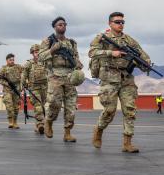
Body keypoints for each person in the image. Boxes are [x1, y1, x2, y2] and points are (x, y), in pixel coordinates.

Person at [89, 12, 151, 153]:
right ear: (110, 23)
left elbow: (141, 53)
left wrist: (146, 63)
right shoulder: (102, 38)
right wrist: (112, 53)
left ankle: (127, 143)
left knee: (130, 110)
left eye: (123, 22)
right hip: (109, 77)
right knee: (109, 111)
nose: (120, 24)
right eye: (117, 22)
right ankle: (98, 130)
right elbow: (92, 52)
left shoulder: (129, 40)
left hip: (126, 78)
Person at [39, 16, 83, 142]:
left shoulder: (72, 43)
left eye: (64, 24)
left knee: (71, 106)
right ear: (54, 27)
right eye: (59, 24)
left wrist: (78, 64)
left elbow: (76, 58)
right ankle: (48, 122)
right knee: (54, 103)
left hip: (70, 77)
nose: (62, 26)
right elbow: (41, 57)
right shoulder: (48, 41)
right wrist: (52, 50)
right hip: (55, 76)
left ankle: (67, 133)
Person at [21, 44, 48, 134]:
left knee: (42, 106)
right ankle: (40, 124)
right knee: (38, 106)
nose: (37, 53)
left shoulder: (45, 62)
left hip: (44, 88)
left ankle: (37, 125)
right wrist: (23, 86)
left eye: (39, 52)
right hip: (34, 89)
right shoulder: (29, 63)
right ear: (32, 53)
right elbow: (23, 75)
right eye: (36, 52)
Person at [0, 54, 24, 129]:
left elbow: (25, 72)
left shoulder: (18, 67)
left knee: (16, 107)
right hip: (7, 90)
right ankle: (10, 121)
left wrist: (23, 84)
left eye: (13, 60)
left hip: (16, 89)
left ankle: (15, 122)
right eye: (10, 60)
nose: (12, 61)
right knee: (9, 106)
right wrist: (6, 83)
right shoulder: (3, 68)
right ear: (7, 60)